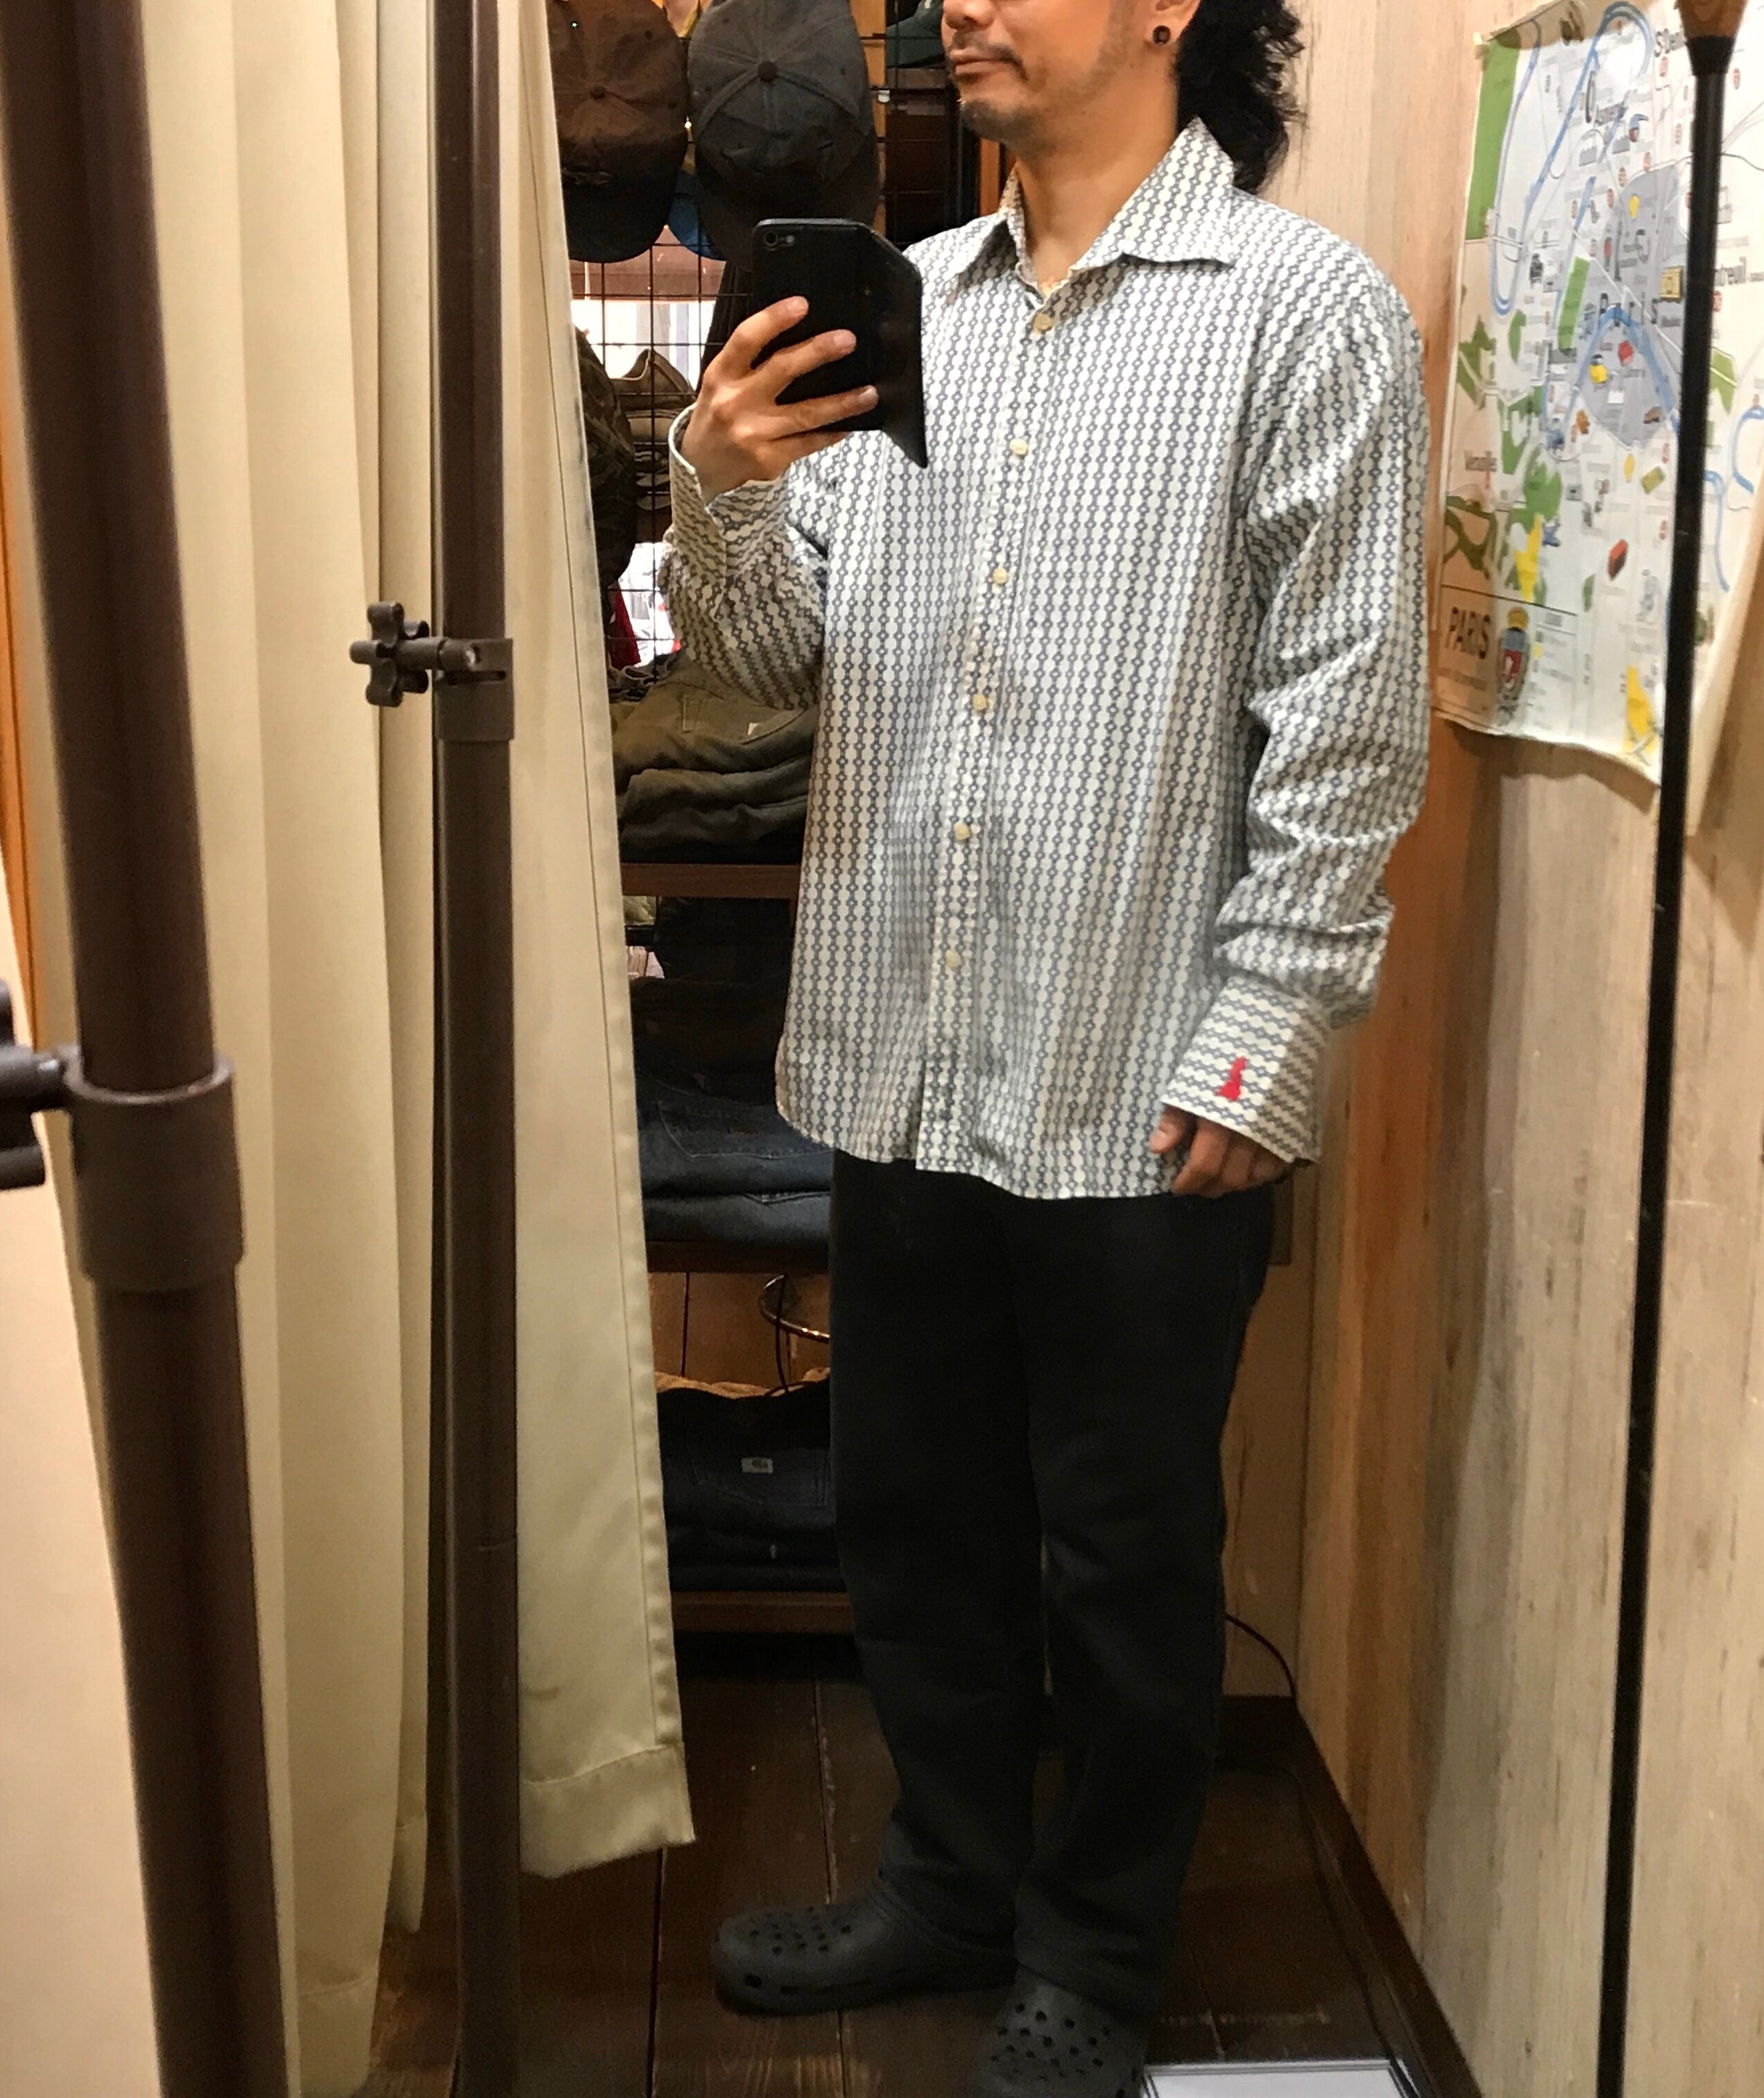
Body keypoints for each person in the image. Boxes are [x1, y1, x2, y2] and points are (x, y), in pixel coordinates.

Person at [660, 0, 1429, 2090]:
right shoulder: (906, 304)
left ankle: (1095, 1945)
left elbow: (1351, 719)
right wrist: (718, 487)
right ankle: (947, 1881)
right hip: (897, 1038)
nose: (958, 8)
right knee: (911, 1517)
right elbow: (765, 664)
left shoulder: (1304, 317)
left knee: (1125, 1549)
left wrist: (1267, 1030)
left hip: (1143, 1061)